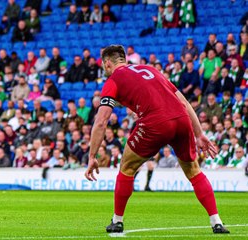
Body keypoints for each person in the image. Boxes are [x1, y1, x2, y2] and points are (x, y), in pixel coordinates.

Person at [85, 45, 229, 234]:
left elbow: (101, 121)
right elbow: (183, 102)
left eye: (104, 66)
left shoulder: (113, 80)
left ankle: (117, 221)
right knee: (194, 171)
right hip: (181, 119)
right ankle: (216, 222)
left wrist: (92, 156)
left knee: (127, 167)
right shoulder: (150, 69)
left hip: (155, 123)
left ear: (108, 63)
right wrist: (199, 133)